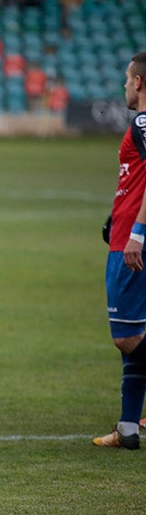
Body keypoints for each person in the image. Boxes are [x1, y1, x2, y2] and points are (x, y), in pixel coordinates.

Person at [93, 50, 146, 450]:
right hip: (125, 235)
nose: (125, 86)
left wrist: (137, 233)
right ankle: (128, 428)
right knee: (136, 335)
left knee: (126, 338)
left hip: (133, 246)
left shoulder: (144, 122)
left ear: (139, 82)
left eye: (128, 79)